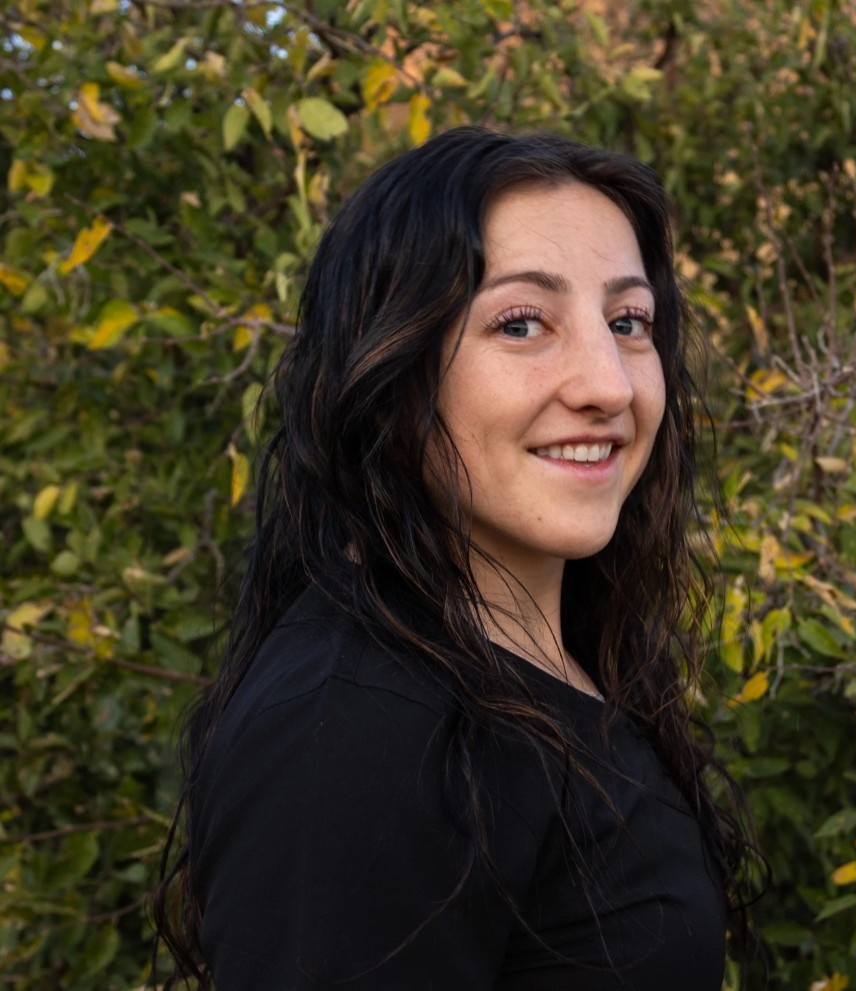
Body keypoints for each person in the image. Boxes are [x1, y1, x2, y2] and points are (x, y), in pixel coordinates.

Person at [153, 126, 758, 989]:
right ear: (390, 363)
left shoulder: (564, 661)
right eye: (521, 322)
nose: (609, 384)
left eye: (629, 321)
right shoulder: (359, 732)